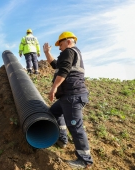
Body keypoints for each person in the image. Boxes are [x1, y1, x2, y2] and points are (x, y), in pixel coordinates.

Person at [43, 31, 93, 168]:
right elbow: (55, 65)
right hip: (68, 96)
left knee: (75, 127)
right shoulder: (71, 54)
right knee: (54, 111)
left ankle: (85, 160)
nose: (59, 47)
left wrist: (53, 88)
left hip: (72, 96)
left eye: (61, 44)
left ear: (68, 41)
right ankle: (62, 139)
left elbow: (63, 71)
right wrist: (47, 53)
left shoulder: (69, 52)